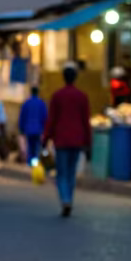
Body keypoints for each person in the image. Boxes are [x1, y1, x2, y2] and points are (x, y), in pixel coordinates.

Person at [44, 62, 92, 217]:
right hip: (77, 140)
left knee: (62, 173)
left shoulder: (57, 96)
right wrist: (88, 143)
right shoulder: (82, 96)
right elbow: (86, 121)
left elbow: (52, 120)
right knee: (71, 172)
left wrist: (46, 138)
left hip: (61, 140)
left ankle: (65, 199)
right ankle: (69, 198)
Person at [18, 85, 48, 163]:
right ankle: (35, 165)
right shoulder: (41, 103)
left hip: (28, 130)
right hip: (38, 130)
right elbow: (45, 118)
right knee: (36, 149)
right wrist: (45, 130)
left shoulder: (27, 103)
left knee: (30, 149)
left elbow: (22, 116)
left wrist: (21, 128)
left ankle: (30, 164)